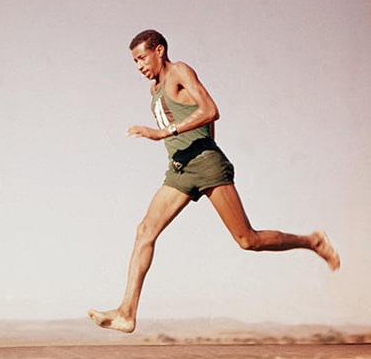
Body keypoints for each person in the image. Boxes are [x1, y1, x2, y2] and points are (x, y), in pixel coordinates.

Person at [88, 29, 340, 334]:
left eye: (142, 58)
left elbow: (210, 110)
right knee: (145, 231)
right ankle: (127, 313)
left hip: (206, 166)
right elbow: (199, 119)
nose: (139, 66)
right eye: (135, 62)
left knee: (248, 240)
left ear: (159, 50)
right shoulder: (153, 90)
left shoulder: (179, 71)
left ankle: (313, 241)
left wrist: (165, 135)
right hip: (180, 171)